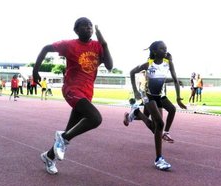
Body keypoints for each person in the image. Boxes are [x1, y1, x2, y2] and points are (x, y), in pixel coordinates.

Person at [33, 17, 113, 175]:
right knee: (95, 118)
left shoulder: (98, 46)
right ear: (76, 30)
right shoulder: (69, 45)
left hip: (87, 92)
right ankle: (62, 138)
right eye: (84, 26)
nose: (88, 28)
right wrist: (35, 70)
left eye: (90, 25)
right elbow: (45, 48)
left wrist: (105, 44)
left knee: (71, 129)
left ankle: (49, 157)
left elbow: (110, 66)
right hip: (72, 89)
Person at [126, 41, 186, 171]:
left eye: (166, 48)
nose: (165, 50)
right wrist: (136, 91)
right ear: (154, 51)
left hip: (158, 96)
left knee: (156, 128)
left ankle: (137, 113)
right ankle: (159, 159)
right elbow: (131, 72)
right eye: (161, 48)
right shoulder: (148, 64)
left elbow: (174, 79)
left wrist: (178, 98)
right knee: (159, 124)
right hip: (147, 95)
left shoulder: (168, 63)